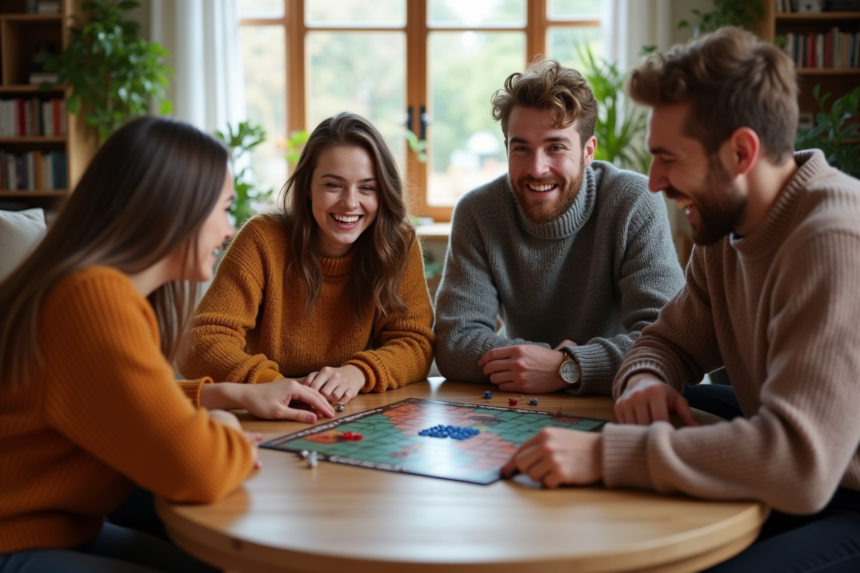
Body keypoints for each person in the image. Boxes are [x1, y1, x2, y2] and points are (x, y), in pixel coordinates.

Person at [503, 28, 860, 571]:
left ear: (741, 153)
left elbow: (798, 465)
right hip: (803, 460)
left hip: (842, 488)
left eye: (669, 158)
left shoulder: (833, 238)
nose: (654, 182)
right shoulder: (726, 225)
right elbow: (667, 342)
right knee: (664, 417)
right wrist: (645, 379)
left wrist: (603, 456)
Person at [0, 116, 331, 573]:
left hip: (56, 527)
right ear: (174, 209)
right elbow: (200, 470)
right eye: (223, 209)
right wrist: (225, 429)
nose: (228, 230)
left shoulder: (90, 287)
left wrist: (225, 394)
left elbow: (110, 398)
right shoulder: (92, 300)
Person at [434, 58, 684, 396]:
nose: (537, 168)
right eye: (521, 148)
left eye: (556, 147)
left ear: (588, 151)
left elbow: (667, 340)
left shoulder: (632, 202)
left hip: (618, 400)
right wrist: (539, 364)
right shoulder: (478, 212)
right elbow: (454, 344)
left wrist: (568, 366)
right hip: (521, 401)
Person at [179, 112, 435, 406]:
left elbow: (416, 343)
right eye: (333, 185)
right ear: (308, 188)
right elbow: (199, 343)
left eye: (367, 187)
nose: (350, 203)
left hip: (345, 409)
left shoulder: (397, 245)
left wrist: (357, 374)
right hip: (263, 409)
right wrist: (273, 385)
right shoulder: (262, 239)